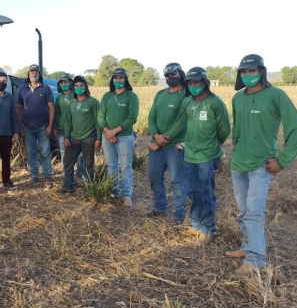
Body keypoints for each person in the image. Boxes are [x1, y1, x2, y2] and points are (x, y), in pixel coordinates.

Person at [228, 54, 297, 274]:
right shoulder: (238, 98)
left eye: (252, 71)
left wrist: (282, 160)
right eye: (244, 72)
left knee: (254, 212)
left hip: (260, 166)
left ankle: (255, 261)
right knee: (244, 211)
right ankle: (248, 247)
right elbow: (238, 130)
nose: (247, 75)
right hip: (239, 163)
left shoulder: (276, 95)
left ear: (261, 71)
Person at [164, 67, 230, 243]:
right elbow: (182, 123)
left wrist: (211, 145)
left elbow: (224, 130)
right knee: (193, 191)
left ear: (205, 82)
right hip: (189, 154)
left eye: (197, 82)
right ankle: (196, 225)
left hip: (207, 157)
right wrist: (166, 138)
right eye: (190, 83)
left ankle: (207, 230)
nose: (193, 85)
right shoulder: (187, 102)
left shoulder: (215, 103)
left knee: (206, 192)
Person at [146, 63, 189, 221]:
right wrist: (155, 135)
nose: (170, 78)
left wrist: (161, 140)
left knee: (177, 181)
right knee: (154, 178)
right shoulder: (160, 94)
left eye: (173, 74)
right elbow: (151, 117)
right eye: (167, 75)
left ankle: (178, 215)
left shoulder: (186, 94)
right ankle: (159, 208)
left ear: (180, 74)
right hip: (156, 145)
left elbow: (181, 122)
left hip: (175, 146)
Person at [98, 68, 139, 207]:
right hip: (107, 136)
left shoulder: (131, 96)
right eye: (115, 78)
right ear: (112, 80)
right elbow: (101, 116)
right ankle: (114, 191)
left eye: (121, 78)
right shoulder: (107, 96)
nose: (118, 80)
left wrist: (114, 131)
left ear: (125, 79)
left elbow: (132, 117)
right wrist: (106, 131)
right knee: (111, 166)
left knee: (126, 167)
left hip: (124, 136)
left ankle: (127, 195)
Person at [59, 76, 102, 193]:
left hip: (88, 138)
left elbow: (99, 121)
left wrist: (99, 138)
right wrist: (67, 136)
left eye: (81, 86)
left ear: (86, 87)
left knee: (88, 165)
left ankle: (88, 189)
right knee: (68, 163)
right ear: (73, 87)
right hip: (73, 138)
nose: (79, 88)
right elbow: (68, 122)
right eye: (76, 86)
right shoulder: (71, 104)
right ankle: (68, 186)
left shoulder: (93, 102)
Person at [16, 64, 55, 187]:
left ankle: (48, 176)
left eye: (36, 72)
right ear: (28, 74)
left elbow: (51, 107)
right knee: (31, 152)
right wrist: (20, 127)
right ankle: (34, 176)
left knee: (45, 152)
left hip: (43, 126)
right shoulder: (22, 89)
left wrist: (50, 125)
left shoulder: (46, 88)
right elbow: (19, 109)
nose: (34, 74)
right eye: (32, 72)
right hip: (28, 127)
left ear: (39, 74)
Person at [53, 73, 84, 185]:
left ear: (70, 82)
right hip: (62, 130)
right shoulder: (59, 97)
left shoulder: (76, 95)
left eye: (65, 82)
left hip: (76, 131)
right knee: (65, 156)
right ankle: (68, 178)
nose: (64, 84)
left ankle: (80, 177)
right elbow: (57, 113)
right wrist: (55, 126)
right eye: (61, 82)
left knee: (80, 156)